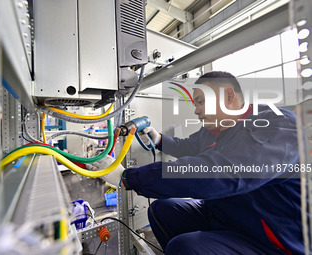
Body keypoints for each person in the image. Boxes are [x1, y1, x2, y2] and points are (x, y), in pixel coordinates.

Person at [86, 71, 303, 255]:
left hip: (270, 238)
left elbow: (219, 172)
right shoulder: (215, 129)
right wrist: (158, 138)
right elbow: (186, 146)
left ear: (228, 96)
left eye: (201, 101)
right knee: (161, 210)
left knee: (185, 246)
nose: (197, 110)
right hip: (226, 216)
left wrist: (128, 178)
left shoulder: (276, 125)